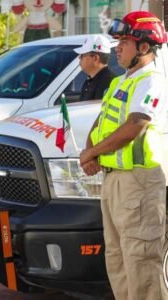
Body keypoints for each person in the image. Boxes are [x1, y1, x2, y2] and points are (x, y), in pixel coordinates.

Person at [80, 11, 168, 300]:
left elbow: (134, 126)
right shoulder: (121, 81)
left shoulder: (152, 81)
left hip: (140, 183)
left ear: (144, 47)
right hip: (115, 181)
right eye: (117, 41)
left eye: (125, 42)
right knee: (118, 260)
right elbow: (103, 120)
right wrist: (89, 152)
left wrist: (92, 151)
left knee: (141, 261)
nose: (116, 47)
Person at [74, 34, 116, 100]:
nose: (79, 57)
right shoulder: (91, 80)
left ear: (95, 58)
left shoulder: (109, 82)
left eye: (82, 55)